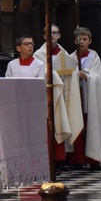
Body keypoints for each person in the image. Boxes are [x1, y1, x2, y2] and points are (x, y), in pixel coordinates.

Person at [34, 24, 83, 168]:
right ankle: (53, 159)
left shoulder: (64, 53)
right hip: (50, 96)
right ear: (44, 36)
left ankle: (65, 157)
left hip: (64, 94)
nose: (53, 36)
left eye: (55, 33)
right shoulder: (39, 55)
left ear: (60, 36)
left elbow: (72, 71)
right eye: (50, 33)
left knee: (65, 121)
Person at [67, 27, 101, 170]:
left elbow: (98, 77)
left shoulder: (94, 57)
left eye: (84, 39)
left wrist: (87, 76)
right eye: (78, 39)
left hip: (90, 97)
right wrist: (75, 75)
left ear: (90, 41)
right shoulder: (70, 58)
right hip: (76, 98)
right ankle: (77, 159)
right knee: (77, 126)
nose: (81, 42)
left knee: (91, 126)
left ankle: (93, 158)